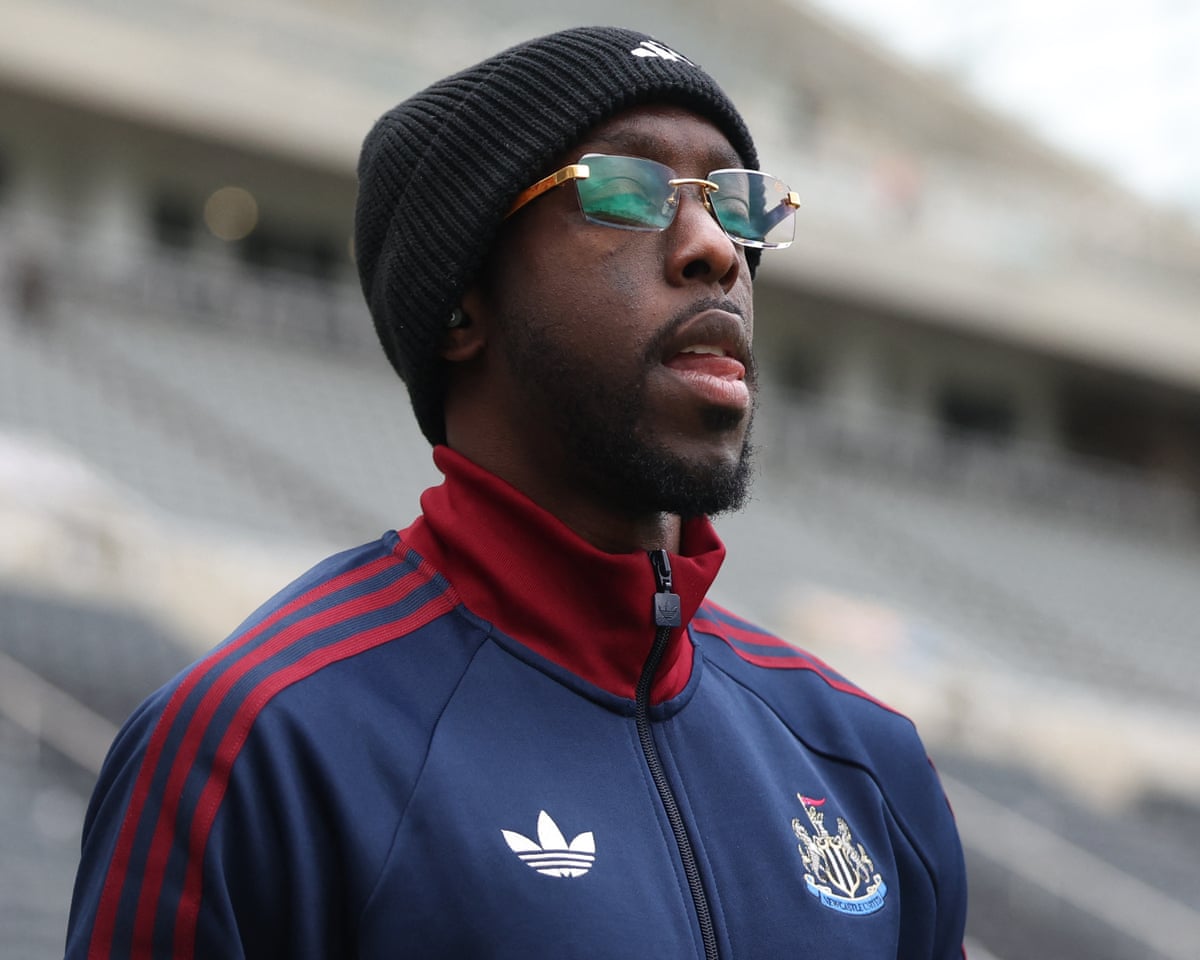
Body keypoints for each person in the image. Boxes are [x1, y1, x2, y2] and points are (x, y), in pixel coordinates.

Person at [67, 26, 967, 959]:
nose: (716, 251)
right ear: (461, 305)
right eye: (627, 190)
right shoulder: (262, 745)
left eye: (734, 206)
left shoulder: (868, 764)